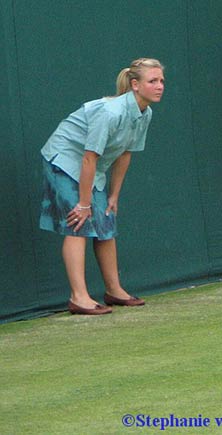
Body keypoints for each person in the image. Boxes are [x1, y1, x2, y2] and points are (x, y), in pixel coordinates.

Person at [39, 58, 165, 315]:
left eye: (161, 80)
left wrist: (114, 195)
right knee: (79, 222)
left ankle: (114, 291)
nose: (160, 86)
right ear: (135, 85)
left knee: (105, 220)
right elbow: (89, 157)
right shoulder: (110, 112)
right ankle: (79, 297)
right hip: (64, 160)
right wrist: (84, 203)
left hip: (90, 167)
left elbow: (125, 154)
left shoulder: (145, 113)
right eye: (153, 81)